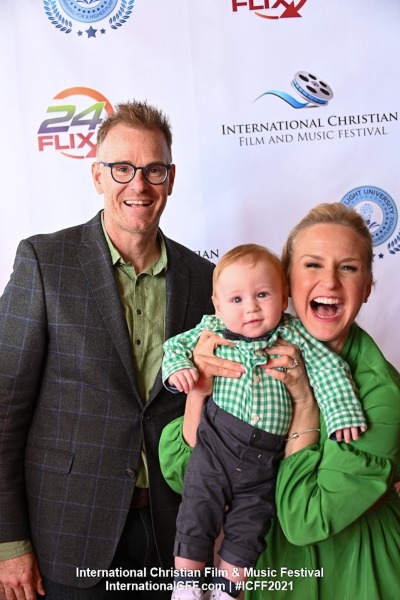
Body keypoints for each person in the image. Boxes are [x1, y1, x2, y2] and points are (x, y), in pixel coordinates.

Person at [0, 100, 215, 600]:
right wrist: (9, 540)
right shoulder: (44, 262)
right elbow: (4, 410)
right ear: (98, 176)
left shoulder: (205, 279)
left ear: (171, 177)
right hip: (70, 533)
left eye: (153, 170)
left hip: (175, 532)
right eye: (122, 168)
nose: (138, 185)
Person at [159, 203, 400, 600]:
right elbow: (186, 472)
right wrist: (200, 390)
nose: (331, 282)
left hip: (355, 575)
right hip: (268, 574)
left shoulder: (380, 392)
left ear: (368, 287)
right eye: (312, 265)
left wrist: (304, 403)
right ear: (287, 280)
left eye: (349, 268)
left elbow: (304, 519)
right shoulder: (241, 349)